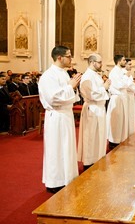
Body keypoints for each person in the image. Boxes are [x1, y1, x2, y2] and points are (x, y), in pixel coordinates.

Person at [38, 46, 82, 194]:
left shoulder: (63, 73)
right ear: (59, 58)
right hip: (56, 116)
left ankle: (67, 178)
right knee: (56, 149)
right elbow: (53, 98)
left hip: (66, 115)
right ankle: (55, 182)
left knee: (67, 147)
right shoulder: (48, 76)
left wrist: (73, 87)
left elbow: (70, 96)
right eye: (69, 56)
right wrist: (70, 86)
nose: (71, 59)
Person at [77, 53, 110, 171]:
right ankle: (89, 162)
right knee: (90, 136)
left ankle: (97, 158)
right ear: (92, 62)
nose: (101, 64)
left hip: (99, 108)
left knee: (99, 135)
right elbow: (91, 94)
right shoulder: (87, 77)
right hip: (92, 109)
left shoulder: (95, 75)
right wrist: (105, 88)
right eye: (100, 62)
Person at [106, 55, 133, 150]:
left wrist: (126, 78)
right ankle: (113, 141)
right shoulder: (114, 72)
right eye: (124, 60)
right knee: (115, 121)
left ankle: (119, 139)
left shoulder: (121, 71)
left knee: (121, 120)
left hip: (121, 98)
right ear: (118, 61)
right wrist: (126, 77)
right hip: (116, 98)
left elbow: (127, 84)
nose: (125, 61)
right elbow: (119, 85)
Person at [124, 59, 135, 136]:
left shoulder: (130, 74)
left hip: (131, 95)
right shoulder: (123, 74)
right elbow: (128, 86)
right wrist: (134, 85)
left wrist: (134, 85)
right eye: (129, 64)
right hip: (127, 96)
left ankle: (131, 132)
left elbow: (132, 85)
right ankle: (127, 133)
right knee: (127, 114)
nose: (131, 66)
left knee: (131, 114)